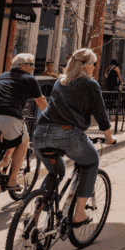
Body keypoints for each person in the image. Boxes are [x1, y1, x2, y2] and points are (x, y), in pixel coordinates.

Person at [32, 48, 114, 226]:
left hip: (40, 134)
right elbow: (101, 115)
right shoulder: (90, 84)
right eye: (93, 64)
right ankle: (78, 214)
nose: (94, 68)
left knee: (56, 172)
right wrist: (109, 138)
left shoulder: (59, 82)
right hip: (67, 134)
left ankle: (34, 216)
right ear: (86, 66)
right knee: (91, 162)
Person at [0, 53, 48, 192]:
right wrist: (50, 118)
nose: (33, 68)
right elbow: (41, 101)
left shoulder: (2, 76)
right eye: (31, 64)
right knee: (24, 141)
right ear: (22, 65)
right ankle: (12, 180)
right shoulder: (30, 79)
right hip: (9, 117)